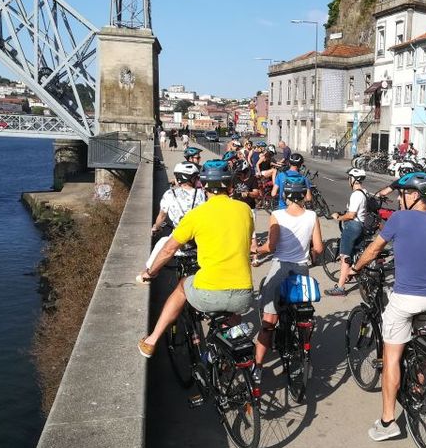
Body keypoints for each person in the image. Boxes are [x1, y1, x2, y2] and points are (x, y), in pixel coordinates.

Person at [348, 172, 426, 442]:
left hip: (407, 299)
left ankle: (387, 421)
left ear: (415, 196)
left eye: (403, 193)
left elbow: (373, 250)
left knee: (392, 356)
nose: (398, 197)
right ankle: (418, 384)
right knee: (415, 337)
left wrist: (354, 269)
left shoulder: (399, 218)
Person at [137, 166, 254, 357]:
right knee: (232, 311)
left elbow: (168, 249)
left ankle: (151, 341)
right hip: (244, 295)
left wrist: (150, 272)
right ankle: (228, 357)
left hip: (211, 292)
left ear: (204, 186)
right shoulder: (245, 210)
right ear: (231, 187)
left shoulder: (196, 215)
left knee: (183, 286)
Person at [252, 179, 323, 384]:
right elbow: (317, 248)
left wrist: (256, 249)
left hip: (280, 268)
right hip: (301, 270)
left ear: (285, 195)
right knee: (303, 312)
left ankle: (257, 367)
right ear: (303, 195)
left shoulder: (277, 215)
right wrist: (310, 255)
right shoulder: (312, 216)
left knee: (268, 321)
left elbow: (271, 246)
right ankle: (303, 353)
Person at [143, 161, 206, 271]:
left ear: (179, 178)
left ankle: (148, 273)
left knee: (162, 243)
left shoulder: (169, 194)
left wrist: (156, 228)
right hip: (198, 240)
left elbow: (162, 216)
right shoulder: (203, 194)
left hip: (179, 240)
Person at [325, 167, 368, 297]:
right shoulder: (364, 192)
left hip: (352, 227)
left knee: (345, 257)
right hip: (361, 225)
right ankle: (353, 273)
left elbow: (351, 215)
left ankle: (340, 287)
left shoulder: (356, 195)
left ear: (353, 180)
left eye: (349, 178)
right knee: (356, 253)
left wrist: (338, 217)